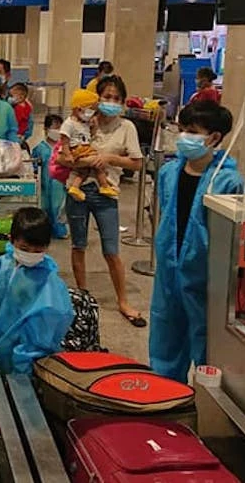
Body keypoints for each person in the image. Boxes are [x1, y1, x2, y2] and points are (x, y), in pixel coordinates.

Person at [150, 102, 245, 382]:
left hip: (206, 278)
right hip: (169, 274)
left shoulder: (228, 182)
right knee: (166, 340)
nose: (183, 137)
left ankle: (206, 399)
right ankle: (167, 394)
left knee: (209, 349)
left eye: (192, 131)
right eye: (182, 129)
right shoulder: (169, 173)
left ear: (214, 138)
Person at [58, 75, 145, 327]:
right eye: (107, 97)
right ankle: (83, 297)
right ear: (97, 98)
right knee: (78, 245)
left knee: (111, 249)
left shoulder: (126, 127)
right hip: (77, 190)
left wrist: (109, 159)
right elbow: (61, 158)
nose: (111, 102)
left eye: (117, 98)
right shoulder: (81, 121)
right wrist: (81, 161)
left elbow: (137, 163)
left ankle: (123, 301)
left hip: (107, 193)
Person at [0, 207, 74, 374]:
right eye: (24, 248)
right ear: (11, 239)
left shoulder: (49, 286)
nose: (30, 254)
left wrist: (21, 372)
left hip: (27, 366)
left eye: (38, 251)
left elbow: (39, 342)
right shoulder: (3, 265)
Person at [59, 89, 119, 201]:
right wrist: (68, 154)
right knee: (98, 164)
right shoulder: (69, 124)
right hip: (78, 149)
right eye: (91, 110)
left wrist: (94, 127)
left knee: (84, 171)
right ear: (79, 109)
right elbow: (65, 141)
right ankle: (104, 186)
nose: (92, 114)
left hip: (85, 148)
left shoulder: (84, 123)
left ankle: (75, 187)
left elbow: (89, 135)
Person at [32, 114, 68, 239]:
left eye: (60, 128)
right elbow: (34, 168)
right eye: (55, 127)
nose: (57, 131)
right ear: (46, 129)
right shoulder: (40, 149)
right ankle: (45, 231)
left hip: (60, 185)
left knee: (60, 207)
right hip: (44, 186)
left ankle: (60, 230)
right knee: (44, 207)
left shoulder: (64, 148)